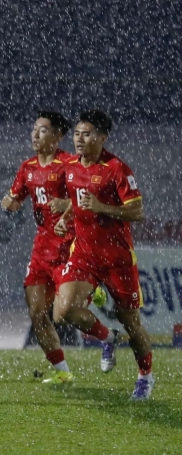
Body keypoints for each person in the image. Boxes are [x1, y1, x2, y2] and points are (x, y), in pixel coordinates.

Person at [53, 109, 153, 400]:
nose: (79, 139)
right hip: (85, 254)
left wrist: (102, 208)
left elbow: (137, 211)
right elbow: (76, 201)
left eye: (87, 134)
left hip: (117, 258)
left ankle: (145, 376)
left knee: (132, 322)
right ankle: (108, 337)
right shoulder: (70, 166)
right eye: (76, 134)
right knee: (64, 311)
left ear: (102, 137)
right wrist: (66, 220)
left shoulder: (116, 168)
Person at [2, 111, 75, 384]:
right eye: (34, 129)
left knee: (66, 311)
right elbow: (14, 199)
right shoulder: (27, 167)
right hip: (42, 246)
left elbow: (84, 200)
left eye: (42, 130)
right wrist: (9, 201)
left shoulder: (69, 164)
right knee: (36, 312)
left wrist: (66, 207)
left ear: (57, 136)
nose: (35, 134)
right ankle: (62, 373)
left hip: (69, 245)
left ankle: (95, 294)